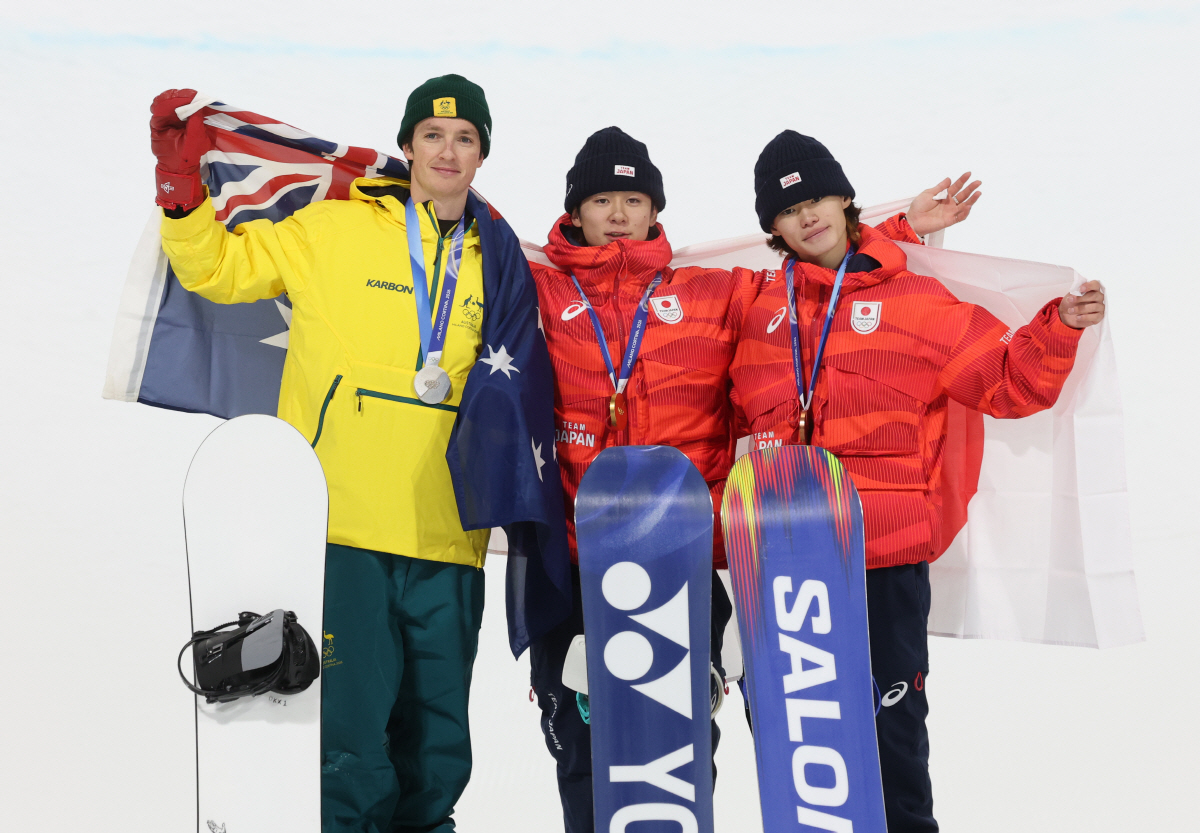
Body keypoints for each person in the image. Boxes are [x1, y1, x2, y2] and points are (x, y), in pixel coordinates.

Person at [527, 126, 977, 833]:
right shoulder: (540, 292)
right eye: (602, 199)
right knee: (591, 758)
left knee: (676, 759)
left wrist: (896, 229)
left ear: (655, 212)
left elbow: (820, 278)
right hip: (578, 559)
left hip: (684, 563)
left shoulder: (712, 294)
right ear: (574, 212)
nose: (617, 213)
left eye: (633, 198)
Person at [150, 75, 565, 833]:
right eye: (433, 135)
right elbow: (215, 269)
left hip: (450, 540)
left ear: (481, 157)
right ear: (407, 146)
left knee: (436, 759)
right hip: (342, 534)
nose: (448, 150)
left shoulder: (499, 266)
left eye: (465, 138)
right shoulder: (330, 231)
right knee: (348, 755)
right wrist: (181, 191)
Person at [729, 130, 1105, 832]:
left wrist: (1059, 328)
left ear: (845, 201)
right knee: (794, 741)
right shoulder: (752, 308)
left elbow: (1007, 382)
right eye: (788, 210)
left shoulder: (919, 301)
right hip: (779, 558)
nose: (806, 216)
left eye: (817, 199)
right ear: (772, 229)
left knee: (891, 735)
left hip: (882, 552)